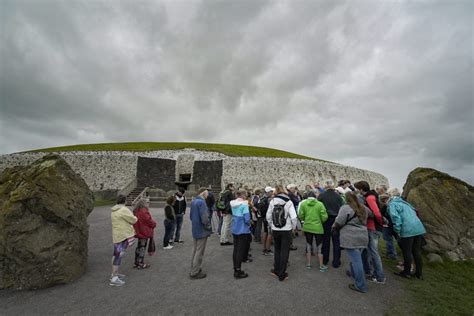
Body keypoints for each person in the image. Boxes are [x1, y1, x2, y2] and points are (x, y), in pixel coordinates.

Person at [333, 192, 369, 293]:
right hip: (363, 236)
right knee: (356, 259)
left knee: (356, 261)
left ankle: (361, 285)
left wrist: (334, 228)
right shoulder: (363, 208)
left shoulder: (345, 208)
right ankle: (354, 274)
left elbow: (339, 221)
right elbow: (372, 215)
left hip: (350, 237)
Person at [388, 188, 426, 280]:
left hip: (408, 229)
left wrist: (397, 230)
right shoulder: (406, 203)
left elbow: (396, 218)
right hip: (418, 228)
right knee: (416, 252)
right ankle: (419, 273)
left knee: (407, 251)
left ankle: (407, 272)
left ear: (391, 195)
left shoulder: (393, 204)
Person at [354, 181, 386, 284]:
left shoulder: (369, 198)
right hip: (372, 227)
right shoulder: (371, 196)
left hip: (373, 228)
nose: (357, 190)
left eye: (358, 188)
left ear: (362, 189)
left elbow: (376, 213)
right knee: (368, 251)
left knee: (374, 253)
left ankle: (379, 276)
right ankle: (368, 271)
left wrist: (380, 222)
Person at [266, 184, 298, 281]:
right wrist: (293, 228)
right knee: (285, 250)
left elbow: (268, 216)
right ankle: (282, 273)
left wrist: (272, 225)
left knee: (277, 249)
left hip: (275, 229)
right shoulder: (289, 201)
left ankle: (276, 269)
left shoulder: (272, 201)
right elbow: (294, 217)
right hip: (286, 229)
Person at [110, 194, 137, 286]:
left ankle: (115, 274)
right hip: (123, 235)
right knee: (119, 255)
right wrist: (135, 218)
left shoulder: (114, 210)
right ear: (124, 201)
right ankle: (114, 278)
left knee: (116, 254)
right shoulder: (124, 209)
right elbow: (133, 220)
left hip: (117, 235)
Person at [298, 191, 328, 271]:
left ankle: (309, 264)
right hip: (318, 227)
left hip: (307, 226)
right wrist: (320, 221)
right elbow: (324, 216)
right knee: (319, 246)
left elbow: (300, 215)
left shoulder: (303, 204)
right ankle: (321, 266)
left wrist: (305, 220)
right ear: (315, 196)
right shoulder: (320, 204)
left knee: (309, 245)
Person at [318, 180, 344, 268]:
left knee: (325, 240)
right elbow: (341, 208)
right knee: (336, 241)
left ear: (326, 186)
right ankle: (336, 262)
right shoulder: (339, 196)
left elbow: (319, 208)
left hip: (326, 219)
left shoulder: (321, 195)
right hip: (336, 219)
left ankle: (325, 260)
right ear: (333, 186)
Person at [189, 187, 212, 279]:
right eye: (207, 193)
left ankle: (194, 267)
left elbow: (191, 216)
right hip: (202, 230)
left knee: (195, 249)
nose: (208, 195)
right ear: (203, 193)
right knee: (200, 251)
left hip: (195, 228)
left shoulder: (194, 201)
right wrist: (208, 226)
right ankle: (195, 272)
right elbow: (205, 218)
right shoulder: (202, 202)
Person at [230, 190, 252, 279]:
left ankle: (236, 268)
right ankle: (238, 271)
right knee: (240, 251)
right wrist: (249, 223)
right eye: (246, 195)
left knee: (236, 250)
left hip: (235, 228)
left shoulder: (233, 203)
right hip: (243, 230)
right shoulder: (244, 204)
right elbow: (247, 219)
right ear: (243, 195)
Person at [132, 198, 156, 268]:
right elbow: (149, 220)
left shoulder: (136, 210)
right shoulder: (144, 211)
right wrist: (154, 224)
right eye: (147, 202)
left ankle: (137, 262)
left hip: (139, 230)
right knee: (142, 247)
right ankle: (140, 263)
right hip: (144, 231)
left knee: (139, 247)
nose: (148, 204)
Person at [379, 194, 398, 259]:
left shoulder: (385, 207)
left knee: (388, 240)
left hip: (388, 225)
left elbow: (382, 215)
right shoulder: (393, 205)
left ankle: (392, 254)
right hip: (393, 225)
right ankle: (391, 253)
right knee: (393, 240)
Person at [261, 186, 275, 255]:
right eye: (271, 192)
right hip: (268, 218)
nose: (272, 193)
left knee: (265, 232)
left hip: (263, 217)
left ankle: (264, 248)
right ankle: (268, 249)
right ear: (268, 192)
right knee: (270, 233)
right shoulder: (269, 199)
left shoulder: (262, 198)